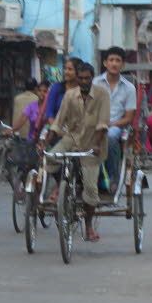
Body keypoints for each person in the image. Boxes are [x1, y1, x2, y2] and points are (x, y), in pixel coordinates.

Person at [47, 63, 109, 242]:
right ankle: (60, 186)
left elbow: (103, 124)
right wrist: (46, 140)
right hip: (71, 139)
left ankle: (89, 227)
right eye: (80, 78)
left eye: (87, 78)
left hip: (93, 143)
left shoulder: (102, 94)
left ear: (92, 77)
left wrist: (96, 145)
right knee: (50, 158)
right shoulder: (69, 95)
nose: (83, 82)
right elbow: (58, 122)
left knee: (90, 190)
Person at [93, 46, 136, 192]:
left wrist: (110, 124)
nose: (114, 63)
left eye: (118, 60)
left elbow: (128, 118)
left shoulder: (129, 88)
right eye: (111, 60)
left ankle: (112, 177)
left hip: (116, 125)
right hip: (95, 124)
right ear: (105, 63)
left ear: (122, 64)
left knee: (110, 136)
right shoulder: (95, 83)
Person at [40, 57, 84, 135]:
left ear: (78, 72)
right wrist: (57, 130)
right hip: (56, 129)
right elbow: (49, 112)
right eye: (65, 69)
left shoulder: (83, 90)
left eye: (70, 69)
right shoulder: (56, 88)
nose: (66, 72)